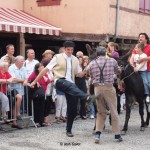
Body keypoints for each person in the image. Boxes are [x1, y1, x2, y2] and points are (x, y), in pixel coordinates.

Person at [30, 41, 98, 137]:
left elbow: (79, 74)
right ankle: (86, 97)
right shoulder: (57, 57)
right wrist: (34, 81)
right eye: (68, 49)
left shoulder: (75, 59)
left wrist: (87, 68)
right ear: (64, 49)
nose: (70, 51)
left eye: (71, 50)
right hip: (60, 81)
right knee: (69, 85)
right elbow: (45, 69)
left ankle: (68, 130)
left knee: (73, 110)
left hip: (71, 85)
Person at [86, 46, 123, 144]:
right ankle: (117, 135)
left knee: (101, 112)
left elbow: (89, 75)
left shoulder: (92, 63)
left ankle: (97, 134)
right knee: (113, 110)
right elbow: (118, 71)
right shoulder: (112, 61)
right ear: (105, 53)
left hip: (97, 88)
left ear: (97, 54)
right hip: (109, 87)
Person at [130, 33, 150, 103]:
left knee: (147, 82)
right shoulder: (136, 47)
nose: (140, 38)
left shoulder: (149, 47)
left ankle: (147, 95)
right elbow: (132, 57)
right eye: (139, 37)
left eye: (142, 37)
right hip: (137, 69)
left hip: (147, 70)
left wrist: (143, 59)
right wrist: (132, 65)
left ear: (146, 39)